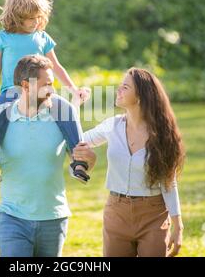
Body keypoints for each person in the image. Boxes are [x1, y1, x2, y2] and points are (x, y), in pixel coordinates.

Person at [0, 55, 96, 257]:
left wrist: (89, 159)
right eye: (47, 85)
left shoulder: (61, 116)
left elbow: (83, 158)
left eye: (52, 84)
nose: (52, 90)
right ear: (26, 86)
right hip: (12, 218)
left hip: (54, 217)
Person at [0, 0, 91, 186]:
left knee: (66, 110)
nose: (35, 22)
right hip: (13, 92)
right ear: (17, 16)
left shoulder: (42, 38)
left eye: (38, 17)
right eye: (30, 18)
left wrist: (73, 89)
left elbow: (56, 66)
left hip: (42, 92)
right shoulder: (2, 38)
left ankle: (78, 160)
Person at [73, 67, 185, 257]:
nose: (118, 91)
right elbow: (77, 140)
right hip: (116, 213)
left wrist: (178, 226)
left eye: (125, 87)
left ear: (141, 96)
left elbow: (169, 182)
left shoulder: (163, 134)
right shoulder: (112, 125)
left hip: (153, 215)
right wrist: (75, 104)